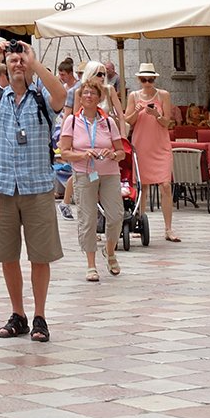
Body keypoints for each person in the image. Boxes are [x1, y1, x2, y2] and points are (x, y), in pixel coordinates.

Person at [0, 38, 64, 343]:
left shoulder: (42, 98)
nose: (17, 63)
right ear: (5, 67)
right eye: (13, 60)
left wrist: (34, 63)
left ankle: (40, 316)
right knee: (8, 256)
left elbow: (62, 95)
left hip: (37, 186)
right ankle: (18, 313)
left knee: (40, 256)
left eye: (21, 59)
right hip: (3, 188)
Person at [59, 74, 128, 281]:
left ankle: (110, 250)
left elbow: (121, 152)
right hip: (84, 172)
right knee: (87, 219)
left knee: (116, 216)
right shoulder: (72, 121)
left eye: (93, 93)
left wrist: (112, 154)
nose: (88, 96)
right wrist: (82, 155)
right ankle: (91, 264)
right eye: (85, 93)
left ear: (99, 98)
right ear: (80, 98)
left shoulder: (108, 122)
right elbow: (64, 152)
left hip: (109, 173)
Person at [126, 63, 181, 243]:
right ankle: (139, 223)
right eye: (144, 80)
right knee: (143, 186)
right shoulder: (133, 96)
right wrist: (137, 110)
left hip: (160, 145)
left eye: (150, 79)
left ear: (155, 79)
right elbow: (129, 121)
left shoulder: (163, 95)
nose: (147, 83)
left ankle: (168, 228)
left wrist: (156, 114)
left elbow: (167, 122)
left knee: (165, 184)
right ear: (139, 80)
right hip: (141, 144)